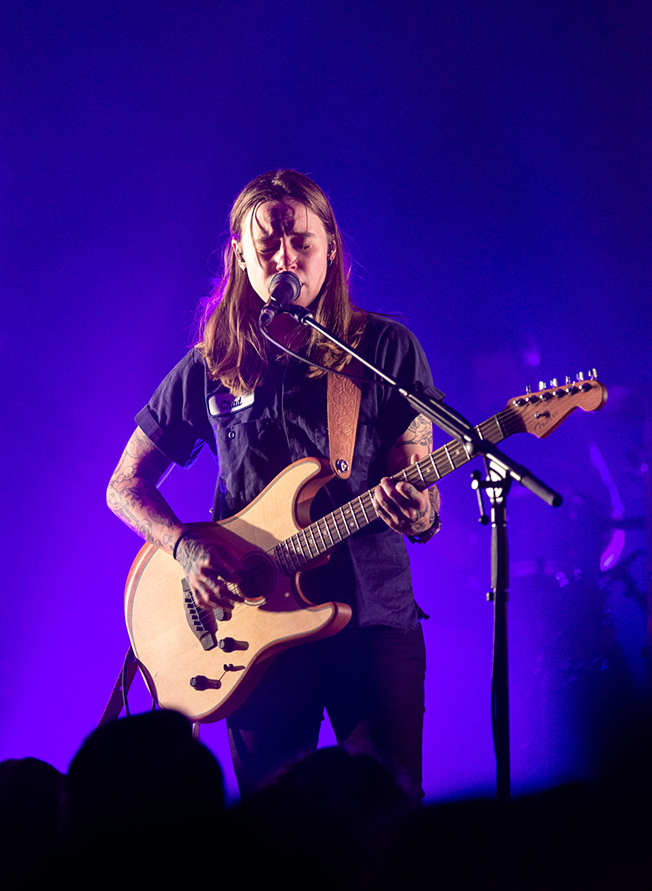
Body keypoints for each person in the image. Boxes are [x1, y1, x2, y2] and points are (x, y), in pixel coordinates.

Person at [106, 169, 441, 799]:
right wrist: (186, 547)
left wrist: (417, 511)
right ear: (239, 254)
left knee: (390, 813)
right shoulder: (212, 365)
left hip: (371, 618)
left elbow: (420, 495)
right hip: (250, 629)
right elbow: (125, 485)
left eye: (302, 243)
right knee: (273, 829)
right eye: (267, 246)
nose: (285, 259)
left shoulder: (386, 349)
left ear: (331, 246)